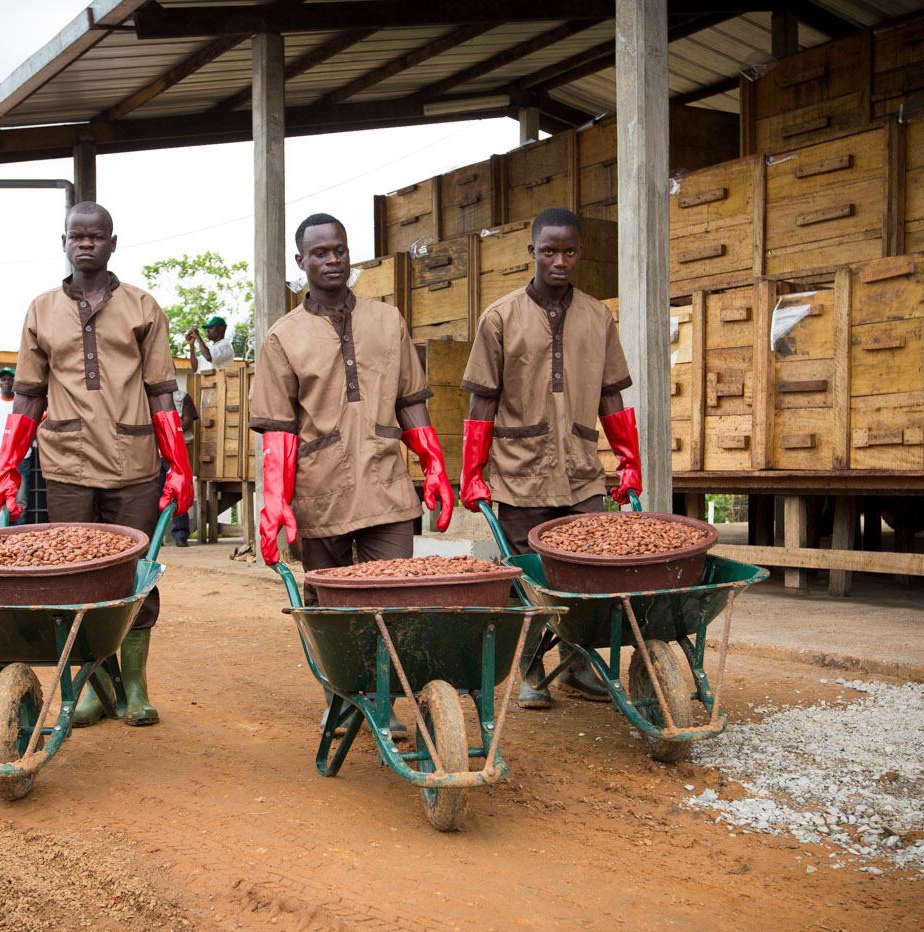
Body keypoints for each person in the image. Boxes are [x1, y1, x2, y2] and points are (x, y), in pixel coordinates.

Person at [0, 201, 193, 727]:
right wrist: (8, 467)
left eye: (96, 236)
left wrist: (179, 464)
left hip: (134, 464)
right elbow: (29, 395)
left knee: (137, 575)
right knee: (74, 576)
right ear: (63, 242)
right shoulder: (41, 310)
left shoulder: (142, 307)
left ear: (112, 243)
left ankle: (135, 688)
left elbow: (161, 392)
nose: (86, 243)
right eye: (76, 236)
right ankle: (93, 686)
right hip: (68, 465)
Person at [459, 208, 642, 709]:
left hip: (581, 471)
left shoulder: (598, 317)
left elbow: (611, 395)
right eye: (549, 251)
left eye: (569, 252)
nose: (559, 261)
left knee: (587, 574)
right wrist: (472, 472)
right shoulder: (500, 317)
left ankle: (578, 667)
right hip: (521, 472)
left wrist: (628, 461)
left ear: (580, 253)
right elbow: (482, 402)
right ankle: (532, 670)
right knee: (527, 575)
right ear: (532, 252)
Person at [250, 212, 453, 588]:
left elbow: (410, 401)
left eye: (339, 251)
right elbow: (279, 430)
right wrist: (275, 500)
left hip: (387, 488)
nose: (333, 260)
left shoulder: (388, 320)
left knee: (395, 592)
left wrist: (434, 465)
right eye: (320, 253)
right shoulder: (283, 337)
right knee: (329, 602)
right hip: (322, 494)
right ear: (301, 261)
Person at [156, 389, 198, 546]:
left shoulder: (182, 396)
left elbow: (187, 421)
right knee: (154, 493)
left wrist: (167, 430)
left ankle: (180, 536)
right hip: (154, 451)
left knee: (178, 492)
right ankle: (156, 538)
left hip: (176, 450)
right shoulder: (146, 395)